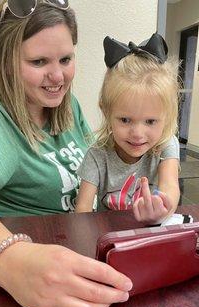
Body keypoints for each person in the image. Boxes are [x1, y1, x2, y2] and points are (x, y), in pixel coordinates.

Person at [0, 0, 133, 307]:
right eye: (38, 61)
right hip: (38, 290)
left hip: (94, 253)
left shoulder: (66, 105)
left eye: (66, 58)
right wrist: (12, 261)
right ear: (6, 61)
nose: (57, 76)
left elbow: (97, 171)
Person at [75, 34, 180, 225]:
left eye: (150, 121)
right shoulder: (96, 156)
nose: (138, 134)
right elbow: (82, 210)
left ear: (167, 116)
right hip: (108, 237)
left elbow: (170, 186)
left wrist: (162, 208)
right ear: (106, 112)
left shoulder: (166, 145)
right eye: (125, 120)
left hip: (150, 235)